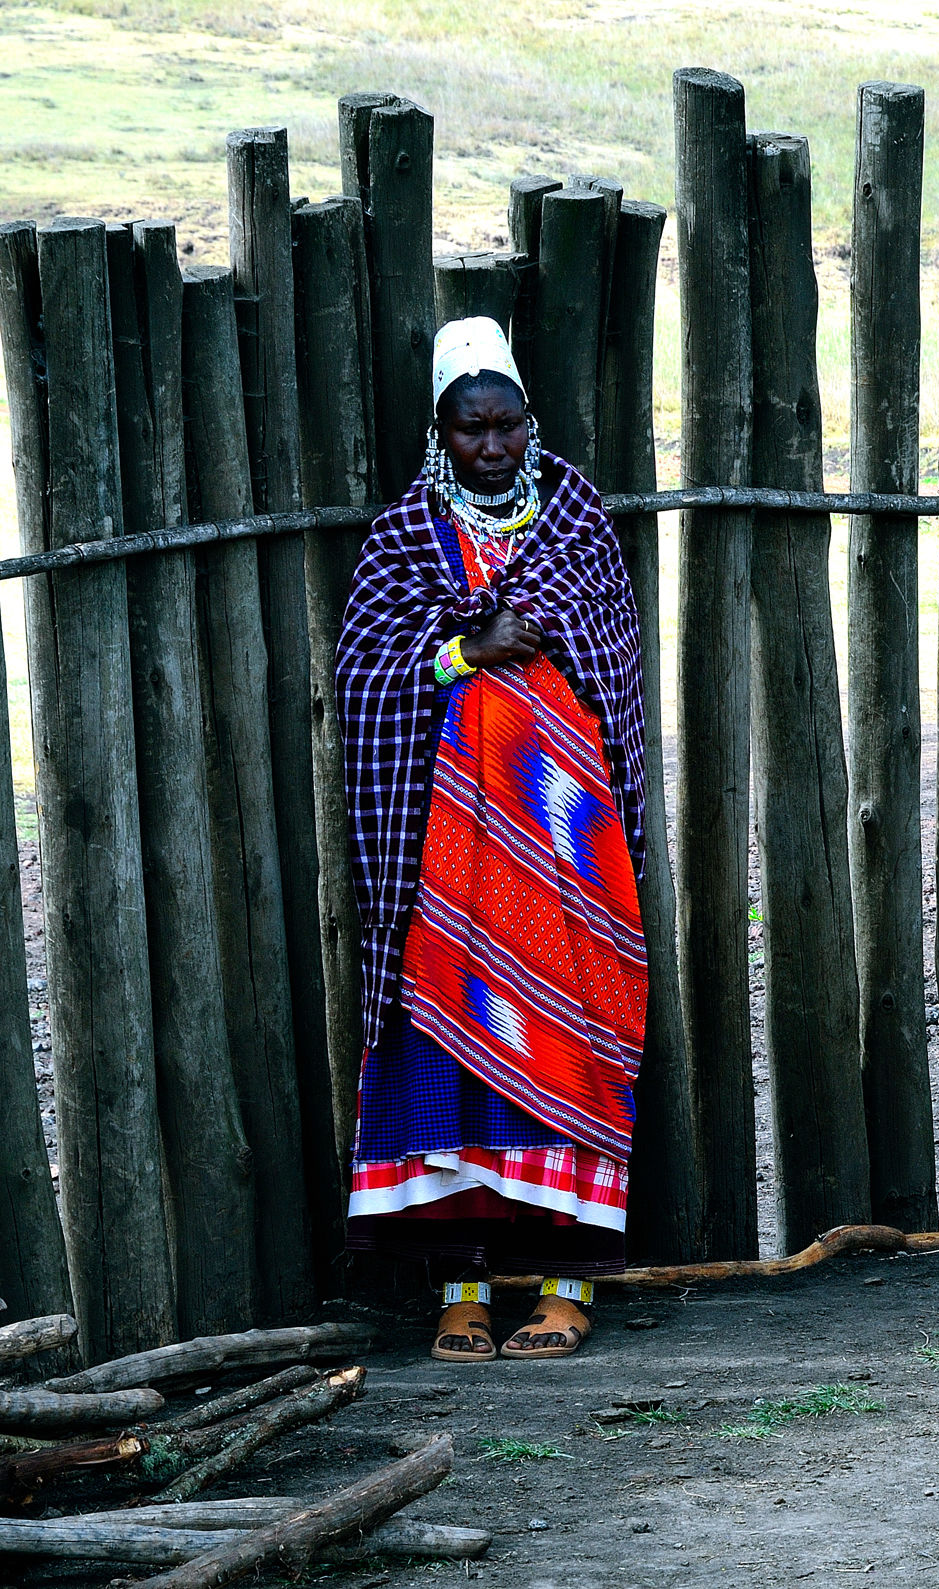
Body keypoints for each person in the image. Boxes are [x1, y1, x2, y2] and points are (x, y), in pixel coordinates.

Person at [336, 317, 650, 1363]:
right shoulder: (400, 540)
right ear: (440, 432)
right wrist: (464, 648)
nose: (493, 447)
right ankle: (460, 1289)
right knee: (447, 1055)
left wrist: (523, 643)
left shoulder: (578, 521)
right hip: (450, 863)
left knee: (568, 1045)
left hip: (566, 847)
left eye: (507, 424)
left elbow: (609, 658)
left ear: (530, 421)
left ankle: (566, 1290)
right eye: (471, 430)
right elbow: (366, 675)